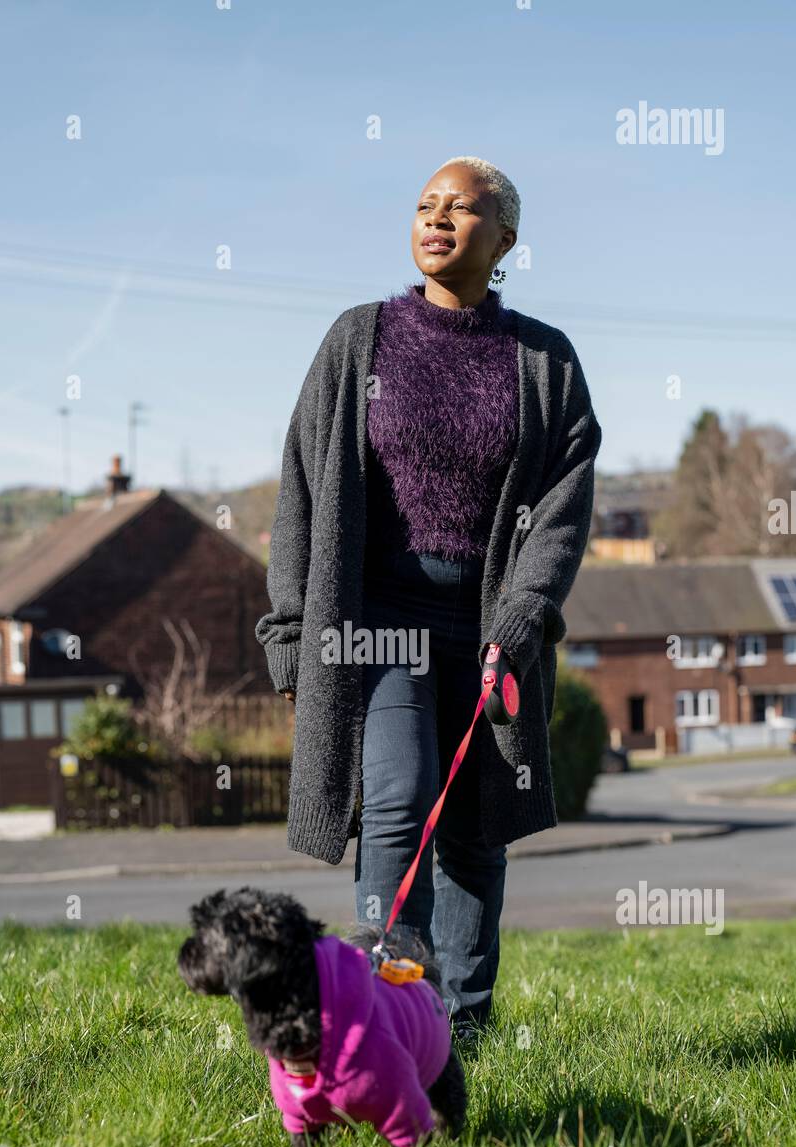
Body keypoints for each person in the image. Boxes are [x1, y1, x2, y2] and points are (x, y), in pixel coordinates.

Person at [255, 156, 602, 1042]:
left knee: (477, 823)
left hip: (488, 624)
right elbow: (300, 488)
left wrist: (522, 621)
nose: (437, 218)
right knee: (400, 799)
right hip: (375, 622)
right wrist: (293, 635)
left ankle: (464, 1032)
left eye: (461, 208)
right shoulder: (359, 338)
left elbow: (561, 509)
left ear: (505, 241)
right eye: (424, 205)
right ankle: (387, 1011)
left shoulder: (543, 360)